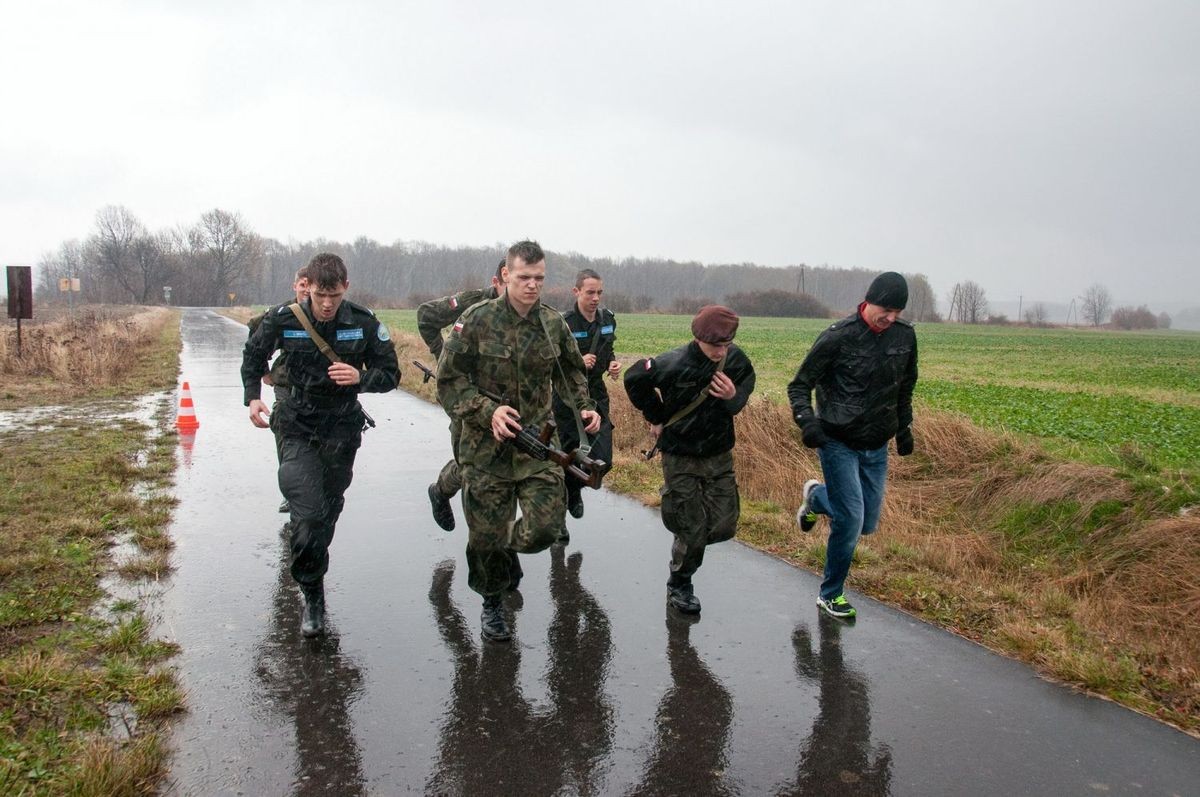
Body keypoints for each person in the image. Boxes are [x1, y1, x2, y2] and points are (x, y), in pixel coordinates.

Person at [437, 240, 600, 642]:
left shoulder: (551, 323)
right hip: (485, 447)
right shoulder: (476, 321)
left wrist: (585, 408)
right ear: (506, 276)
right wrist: (485, 410)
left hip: (536, 442)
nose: (532, 286)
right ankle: (492, 601)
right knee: (485, 536)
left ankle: (499, 547)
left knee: (546, 528)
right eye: (524, 277)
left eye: (539, 279)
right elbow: (449, 382)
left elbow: (572, 371)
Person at [241, 252, 399, 637]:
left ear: (345, 287)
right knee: (308, 514)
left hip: (341, 430)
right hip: (296, 426)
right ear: (307, 287)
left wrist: (360, 378)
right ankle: (312, 594)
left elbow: (391, 374)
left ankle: (312, 559)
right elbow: (254, 351)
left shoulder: (363, 322)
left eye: (334, 295)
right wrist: (253, 395)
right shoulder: (284, 317)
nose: (327, 304)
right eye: (319, 294)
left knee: (326, 512)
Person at [787, 271, 918, 620]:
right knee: (850, 520)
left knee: (867, 523)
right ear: (869, 301)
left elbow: (906, 386)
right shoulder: (838, 337)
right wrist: (807, 421)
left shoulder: (904, 337)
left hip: (877, 443)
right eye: (885, 309)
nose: (890, 318)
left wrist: (904, 428)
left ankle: (815, 497)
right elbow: (799, 385)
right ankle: (830, 595)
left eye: (897, 311)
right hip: (837, 440)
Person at [623, 306, 755, 616]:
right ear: (698, 339)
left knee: (724, 525)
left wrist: (733, 396)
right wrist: (655, 416)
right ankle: (680, 583)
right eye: (715, 346)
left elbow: (746, 384)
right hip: (679, 455)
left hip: (719, 454)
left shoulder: (735, 360)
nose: (721, 351)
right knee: (693, 528)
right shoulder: (672, 363)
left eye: (726, 344)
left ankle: (685, 531)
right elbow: (633, 379)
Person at [418, 260, 505, 531]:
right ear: (497, 281)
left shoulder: (527, 313)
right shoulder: (473, 302)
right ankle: (441, 491)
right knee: (470, 464)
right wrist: (442, 355)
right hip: (462, 393)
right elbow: (426, 316)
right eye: (510, 283)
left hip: (502, 400)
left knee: (498, 462)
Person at [552, 268, 619, 530]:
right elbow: (552, 364)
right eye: (590, 292)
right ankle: (558, 524)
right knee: (568, 455)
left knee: (604, 460)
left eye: (599, 292)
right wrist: (577, 361)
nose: (596, 298)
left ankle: (574, 486)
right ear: (576, 291)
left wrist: (612, 364)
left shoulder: (608, 319)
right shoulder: (564, 323)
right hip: (567, 396)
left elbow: (609, 349)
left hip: (597, 393)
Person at [247, 267, 310, 515]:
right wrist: (264, 371)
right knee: (286, 434)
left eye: (310, 285)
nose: (306, 289)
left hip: (317, 387)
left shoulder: (326, 312)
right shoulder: (281, 314)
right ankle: (291, 492)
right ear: (294, 286)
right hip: (286, 383)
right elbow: (255, 338)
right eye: (302, 284)